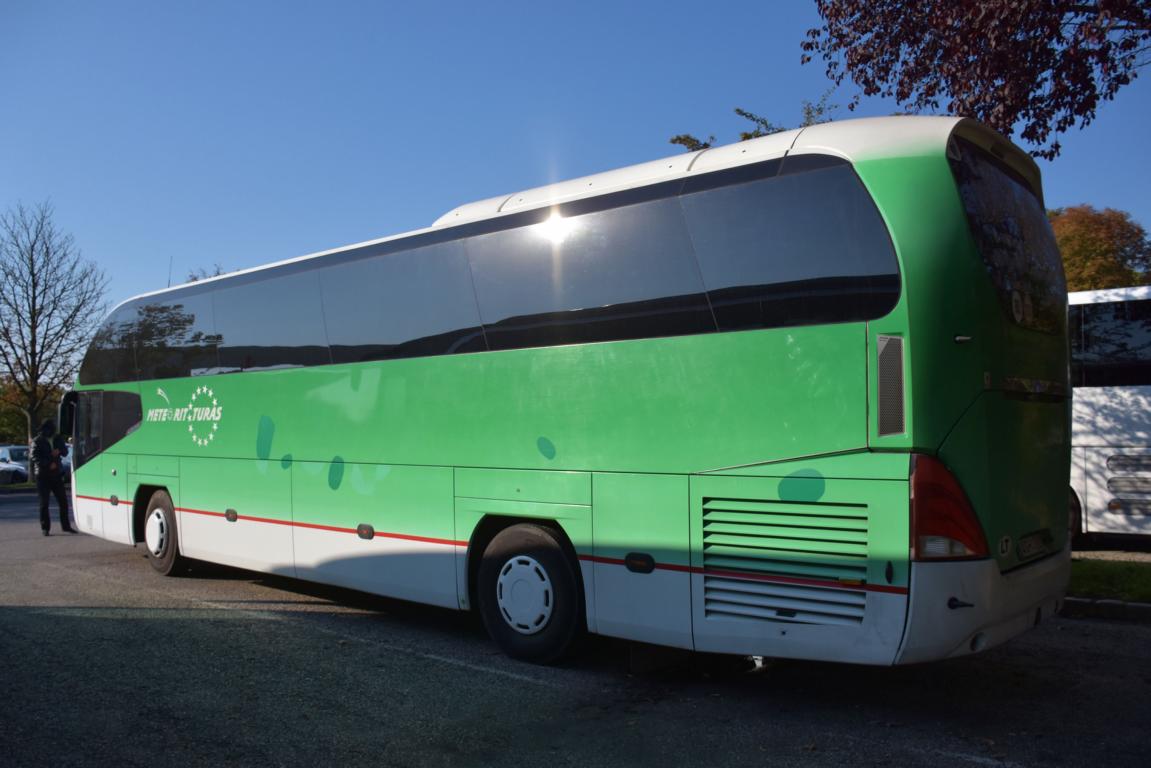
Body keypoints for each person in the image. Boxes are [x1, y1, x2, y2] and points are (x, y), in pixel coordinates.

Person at [33, 419, 75, 536]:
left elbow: (65, 452)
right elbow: (34, 456)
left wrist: (59, 451)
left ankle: (66, 526)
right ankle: (45, 528)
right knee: (44, 503)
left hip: (56, 474)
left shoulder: (57, 438)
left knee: (63, 502)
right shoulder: (38, 440)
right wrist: (47, 463)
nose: (52, 430)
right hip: (43, 475)